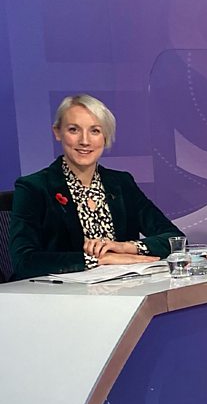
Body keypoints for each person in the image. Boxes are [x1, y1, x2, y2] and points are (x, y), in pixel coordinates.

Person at [8, 95, 183, 281]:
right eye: (74, 130)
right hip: (58, 298)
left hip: (124, 292)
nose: (85, 141)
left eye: (95, 131)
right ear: (57, 132)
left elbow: (174, 239)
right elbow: (24, 260)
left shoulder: (121, 183)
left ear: (105, 136)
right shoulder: (33, 188)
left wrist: (126, 248)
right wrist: (97, 260)